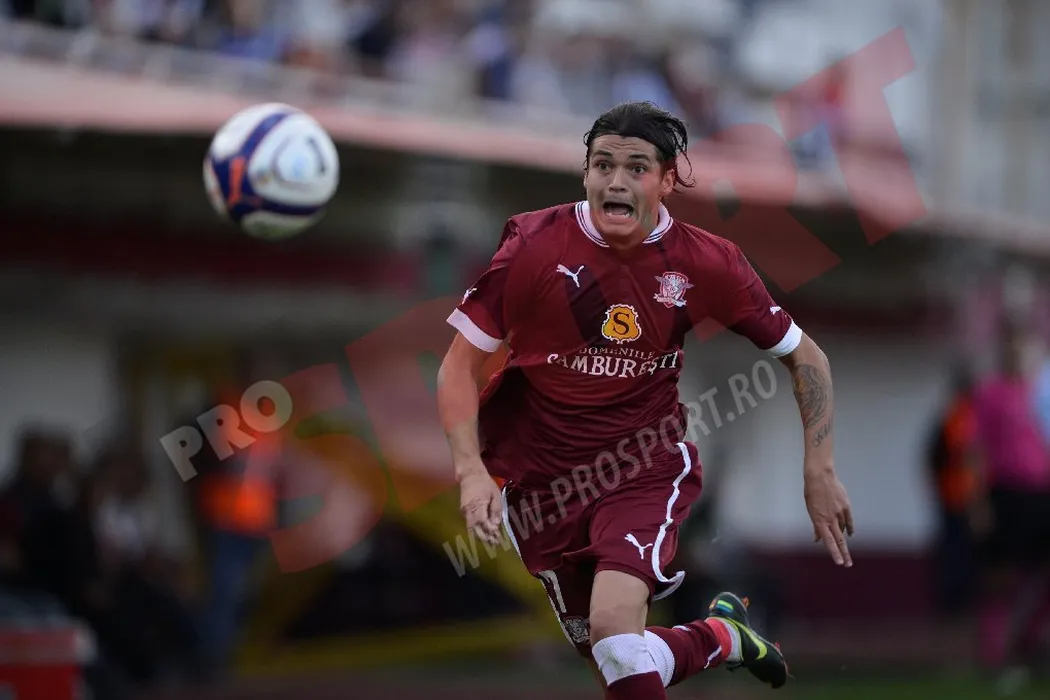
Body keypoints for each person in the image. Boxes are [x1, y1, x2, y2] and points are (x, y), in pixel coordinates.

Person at [436, 101, 853, 698]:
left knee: (614, 633)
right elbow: (458, 366)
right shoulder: (533, 244)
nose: (616, 181)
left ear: (666, 180)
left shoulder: (705, 261)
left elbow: (807, 357)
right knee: (619, 662)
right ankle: (722, 636)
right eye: (603, 165)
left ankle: (716, 636)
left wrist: (820, 468)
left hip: (640, 470)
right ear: (585, 174)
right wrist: (470, 471)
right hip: (543, 489)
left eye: (636, 168)